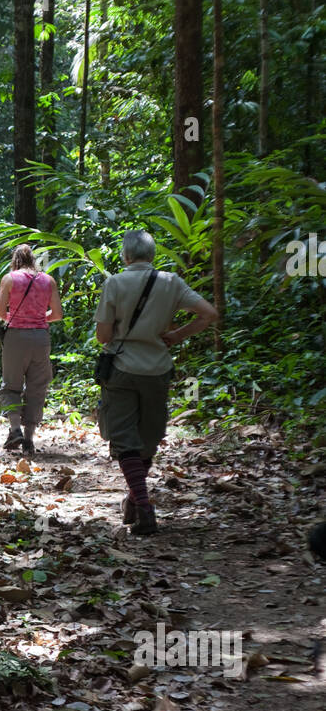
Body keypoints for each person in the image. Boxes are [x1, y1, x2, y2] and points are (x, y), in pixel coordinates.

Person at [94, 228, 218, 535]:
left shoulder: (115, 283)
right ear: (153, 255)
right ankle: (136, 502)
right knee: (147, 438)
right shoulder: (170, 282)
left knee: (124, 438)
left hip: (121, 367)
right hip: (158, 368)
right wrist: (176, 336)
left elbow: (103, 336)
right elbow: (208, 313)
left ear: (125, 256)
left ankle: (143, 504)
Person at [0, 245, 63, 456]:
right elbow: (58, 314)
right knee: (37, 386)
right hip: (41, 338)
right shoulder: (48, 280)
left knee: (11, 384)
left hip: (16, 337)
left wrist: (17, 319)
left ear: (15, 259)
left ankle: (15, 428)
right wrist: (40, 318)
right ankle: (29, 439)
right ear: (33, 259)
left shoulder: (9, 279)